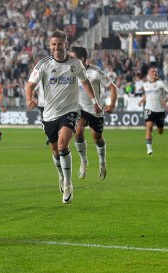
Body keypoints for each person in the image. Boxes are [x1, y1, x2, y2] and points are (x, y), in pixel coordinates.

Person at [25, 30, 102, 204]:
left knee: (62, 145)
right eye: (53, 44)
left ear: (66, 44)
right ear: (50, 45)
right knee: (54, 151)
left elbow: (85, 82)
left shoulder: (75, 63)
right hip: (49, 114)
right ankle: (61, 175)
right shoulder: (43, 64)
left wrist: (94, 101)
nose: (56, 47)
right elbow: (30, 85)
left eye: (59, 44)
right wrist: (30, 99)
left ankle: (68, 183)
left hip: (70, 111)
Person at [69, 46, 118, 180]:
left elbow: (112, 87)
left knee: (98, 139)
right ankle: (83, 161)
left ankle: (102, 162)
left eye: (72, 58)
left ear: (82, 59)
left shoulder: (95, 72)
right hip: (79, 109)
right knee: (78, 132)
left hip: (95, 110)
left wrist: (112, 104)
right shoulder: (70, 71)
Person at [138, 66, 168, 155]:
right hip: (149, 109)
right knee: (149, 127)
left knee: (160, 131)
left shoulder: (161, 83)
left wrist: (166, 100)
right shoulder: (145, 85)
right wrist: (141, 101)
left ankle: (157, 132)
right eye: (153, 71)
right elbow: (147, 95)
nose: (155, 73)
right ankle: (149, 149)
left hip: (160, 111)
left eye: (156, 72)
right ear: (149, 74)